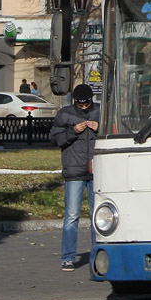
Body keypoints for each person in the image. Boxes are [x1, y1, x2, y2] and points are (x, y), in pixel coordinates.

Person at [50, 84, 98, 270]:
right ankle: (68, 257)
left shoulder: (100, 113)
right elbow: (55, 139)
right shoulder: (65, 114)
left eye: (86, 104)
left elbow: (115, 133)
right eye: (80, 104)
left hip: (96, 171)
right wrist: (73, 131)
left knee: (97, 216)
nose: (84, 107)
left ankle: (98, 255)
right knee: (71, 215)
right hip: (74, 172)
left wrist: (99, 128)